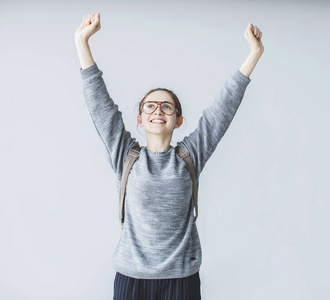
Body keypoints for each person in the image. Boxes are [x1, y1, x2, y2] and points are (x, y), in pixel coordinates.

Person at [74, 12, 264, 300]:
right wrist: (82, 42)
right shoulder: (126, 156)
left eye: (166, 106)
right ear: (139, 119)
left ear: (178, 120)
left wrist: (254, 54)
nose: (158, 111)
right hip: (131, 278)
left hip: (182, 280)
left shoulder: (190, 156)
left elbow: (220, 111)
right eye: (150, 106)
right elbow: (101, 105)